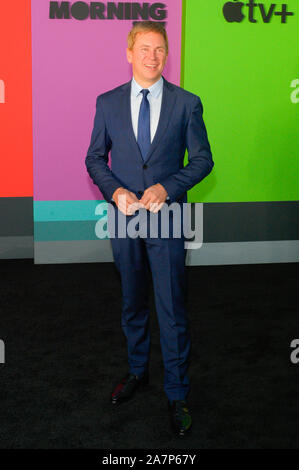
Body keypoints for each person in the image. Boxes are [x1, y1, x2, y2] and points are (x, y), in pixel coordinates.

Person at [85, 21, 214, 437]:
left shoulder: (187, 103)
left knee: (172, 307)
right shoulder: (106, 103)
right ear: (129, 53)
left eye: (159, 49)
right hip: (123, 216)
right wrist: (115, 191)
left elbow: (201, 161)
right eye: (144, 48)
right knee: (131, 300)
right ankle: (137, 372)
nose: (152, 56)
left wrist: (167, 186)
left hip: (169, 215)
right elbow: (94, 159)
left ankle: (177, 394)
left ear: (166, 54)